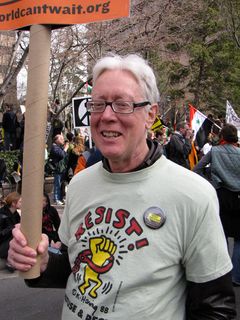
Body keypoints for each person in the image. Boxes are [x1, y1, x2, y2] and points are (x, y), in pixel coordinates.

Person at [8, 54, 236, 319]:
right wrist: (42, 263)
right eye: (97, 104)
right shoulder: (80, 184)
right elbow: (76, 266)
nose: (106, 116)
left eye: (122, 104)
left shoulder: (193, 195)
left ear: (151, 114)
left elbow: (216, 308)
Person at [193, 124, 240, 287]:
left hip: (220, 195)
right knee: (239, 238)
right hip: (238, 196)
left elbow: (196, 169)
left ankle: (223, 271)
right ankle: (236, 276)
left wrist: (210, 183)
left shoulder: (215, 151)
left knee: (222, 234)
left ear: (222, 136)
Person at [0, 192, 21, 270]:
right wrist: (12, 228)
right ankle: (10, 261)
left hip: (10, 244)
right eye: (20, 202)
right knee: (16, 233)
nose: (22, 203)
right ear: (13, 203)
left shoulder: (16, 214)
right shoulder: (2, 215)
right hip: (2, 245)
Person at [49, 134, 69, 205]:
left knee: (61, 184)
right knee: (57, 184)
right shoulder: (54, 147)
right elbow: (62, 155)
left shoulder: (58, 147)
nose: (63, 140)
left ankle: (60, 198)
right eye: (61, 139)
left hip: (61, 169)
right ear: (56, 140)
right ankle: (56, 199)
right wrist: (66, 148)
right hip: (57, 169)